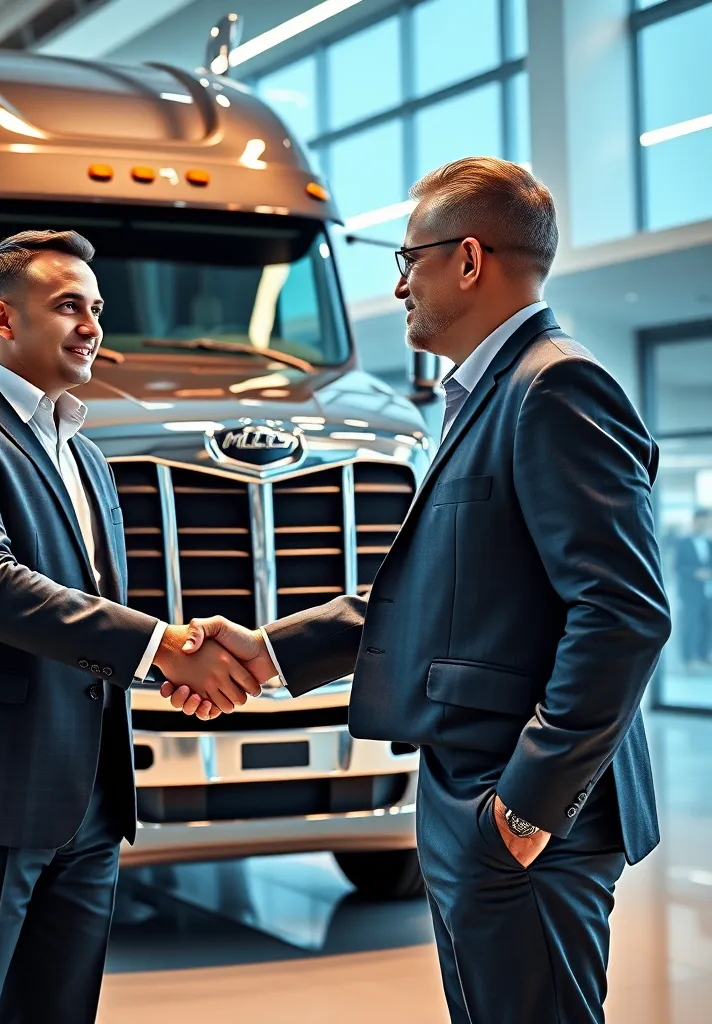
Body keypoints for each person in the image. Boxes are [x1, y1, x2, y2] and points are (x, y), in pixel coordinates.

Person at [167, 158, 672, 1023]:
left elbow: (624, 614)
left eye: (410, 259)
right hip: (473, 797)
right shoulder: (483, 395)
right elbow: (437, 592)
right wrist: (271, 651)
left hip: (519, 816)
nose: (399, 283)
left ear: (468, 260)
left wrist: (522, 813)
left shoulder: (553, 387)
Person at [0, 229, 259, 1024]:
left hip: (87, 792)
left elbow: (89, 603)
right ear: (4, 319)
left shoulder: (81, 452)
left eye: (96, 308)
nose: (92, 326)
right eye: (68, 307)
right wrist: (164, 651)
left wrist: (169, 663)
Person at [675, 508, 712, 671]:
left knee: (707, 623)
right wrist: (694, 573)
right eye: (702, 520)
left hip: (708, 590)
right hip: (690, 591)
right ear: (695, 521)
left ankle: (704, 655)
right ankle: (689, 659)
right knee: (691, 624)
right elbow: (677, 567)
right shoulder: (684, 542)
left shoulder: (709, 543)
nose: (704, 524)